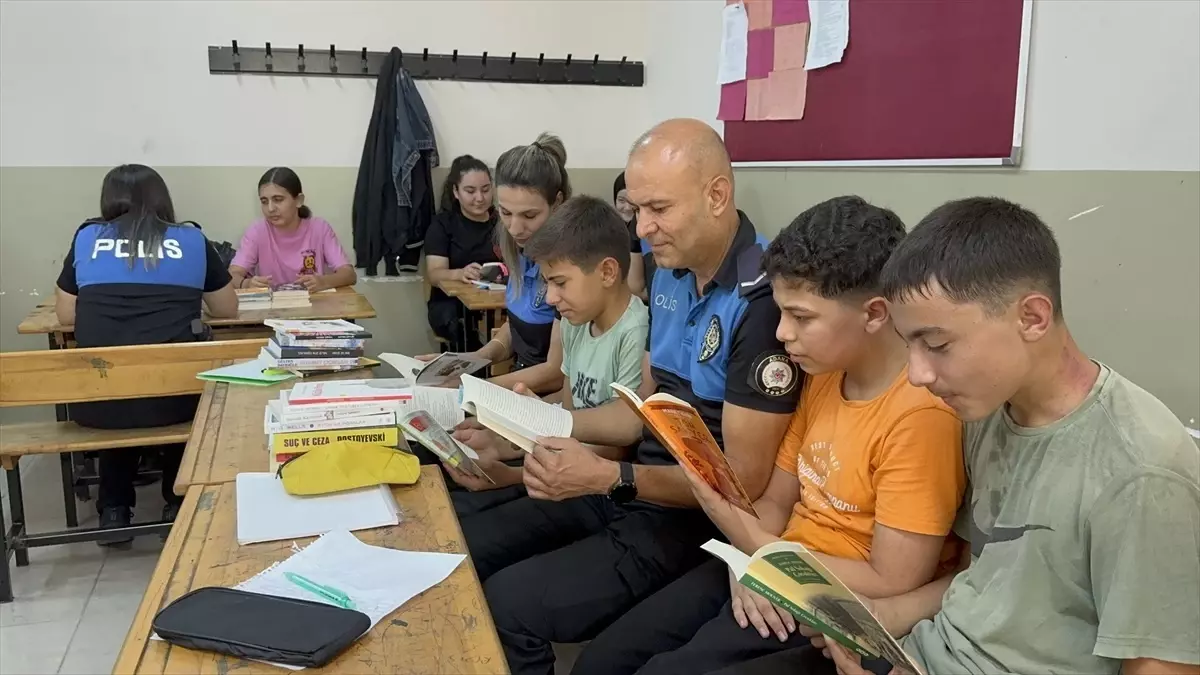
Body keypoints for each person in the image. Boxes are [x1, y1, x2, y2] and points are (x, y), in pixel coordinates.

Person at [744, 197, 1200, 675]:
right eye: (909, 344)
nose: (917, 374)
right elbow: (984, 571)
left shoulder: (1141, 472)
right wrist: (880, 617)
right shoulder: (986, 411)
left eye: (937, 345)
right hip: (918, 651)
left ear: (1032, 318)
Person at [455, 119, 802, 675]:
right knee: (467, 538)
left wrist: (609, 478)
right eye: (637, 209)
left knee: (518, 605)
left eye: (658, 208)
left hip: (691, 517)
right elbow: (640, 415)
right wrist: (523, 435)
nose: (643, 227)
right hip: (630, 488)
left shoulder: (760, 301)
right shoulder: (669, 274)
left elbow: (743, 484)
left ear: (717, 195)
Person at [572, 196, 967, 675]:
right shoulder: (823, 376)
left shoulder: (921, 415)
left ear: (876, 313)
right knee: (605, 660)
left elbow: (893, 579)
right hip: (771, 566)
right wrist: (749, 558)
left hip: (832, 603)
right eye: (781, 312)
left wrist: (763, 556)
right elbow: (778, 499)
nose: (782, 333)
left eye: (802, 317)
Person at [54, 164, 238, 545]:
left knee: (118, 380)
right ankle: (175, 501)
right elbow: (226, 310)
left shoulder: (88, 238)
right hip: (175, 403)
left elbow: (67, 315)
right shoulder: (190, 239)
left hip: (97, 408)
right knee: (176, 382)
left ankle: (114, 511)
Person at [446, 195, 648, 511]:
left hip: (596, 493)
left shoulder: (636, 331)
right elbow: (569, 408)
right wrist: (503, 443)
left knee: (471, 527)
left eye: (560, 283)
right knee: (455, 501)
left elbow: (618, 447)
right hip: (559, 473)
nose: (551, 298)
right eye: (547, 284)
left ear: (607, 272)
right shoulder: (576, 320)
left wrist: (512, 472)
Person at [455, 133, 570, 394]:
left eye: (529, 215)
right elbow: (516, 329)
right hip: (517, 385)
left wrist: (478, 386)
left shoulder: (568, 268)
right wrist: (473, 360)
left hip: (547, 399)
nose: (515, 228)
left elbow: (555, 373)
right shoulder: (520, 253)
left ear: (558, 203)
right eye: (505, 213)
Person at [229, 167, 357, 291]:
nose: (270, 208)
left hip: (314, 306)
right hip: (272, 309)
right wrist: (246, 283)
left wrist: (323, 282)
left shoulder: (320, 228)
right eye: (264, 201)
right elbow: (232, 274)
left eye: (278, 200)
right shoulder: (257, 231)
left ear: (299, 200)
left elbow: (349, 274)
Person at [423, 155, 500, 351]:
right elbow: (434, 274)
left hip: (496, 302)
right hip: (451, 304)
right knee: (462, 330)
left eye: (485, 189)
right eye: (470, 191)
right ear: (456, 192)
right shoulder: (443, 224)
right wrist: (459, 273)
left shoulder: (502, 222)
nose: (480, 198)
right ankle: (473, 375)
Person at [613, 171, 649, 298]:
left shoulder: (645, 233)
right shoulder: (610, 231)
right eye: (621, 200)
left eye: (632, 202)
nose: (628, 208)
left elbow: (637, 289)